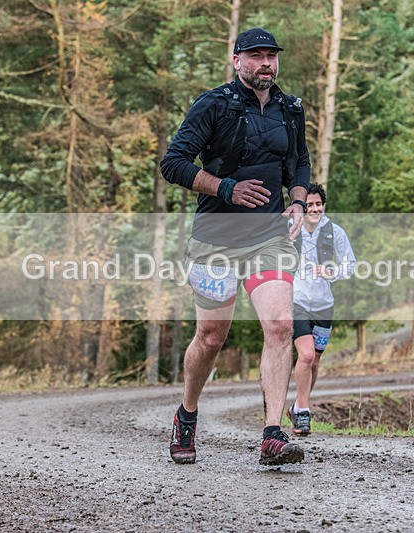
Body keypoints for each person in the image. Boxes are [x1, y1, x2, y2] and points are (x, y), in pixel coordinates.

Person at [160, 27, 310, 466]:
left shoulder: (290, 108)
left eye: (271, 56)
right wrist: (226, 187)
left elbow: (298, 162)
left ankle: (272, 434)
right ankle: (186, 415)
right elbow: (174, 163)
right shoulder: (214, 104)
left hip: (269, 236)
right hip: (216, 240)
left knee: (280, 326)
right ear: (237, 60)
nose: (266, 63)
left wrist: (298, 203)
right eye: (256, 56)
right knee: (211, 337)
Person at [286, 183, 355, 435]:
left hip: (324, 304)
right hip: (297, 300)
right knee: (304, 355)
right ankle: (304, 411)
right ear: (301, 207)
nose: (314, 209)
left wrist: (332, 272)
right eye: (309, 205)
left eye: (318, 204)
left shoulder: (334, 231)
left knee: (314, 362)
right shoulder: (290, 228)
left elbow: (350, 263)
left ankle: (296, 407)